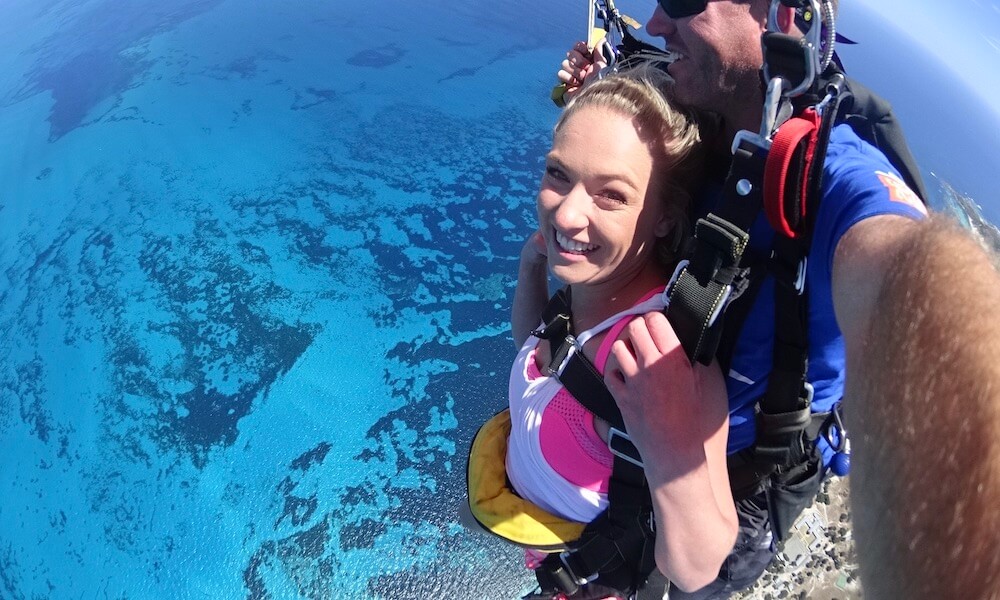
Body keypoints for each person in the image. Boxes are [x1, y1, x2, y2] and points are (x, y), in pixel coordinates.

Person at [550, 0, 1000, 598]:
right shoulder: (701, 99)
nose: (657, 24)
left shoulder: (837, 182)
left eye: (683, 3)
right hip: (621, 447)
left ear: (785, 12)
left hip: (727, 495)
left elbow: (908, 275)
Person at [467, 70, 742, 598]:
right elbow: (544, 354)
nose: (568, 213)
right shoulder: (589, 289)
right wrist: (532, 266)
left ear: (663, 217)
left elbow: (697, 566)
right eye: (558, 174)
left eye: (611, 195)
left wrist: (669, 442)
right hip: (541, 540)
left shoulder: (656, 354)